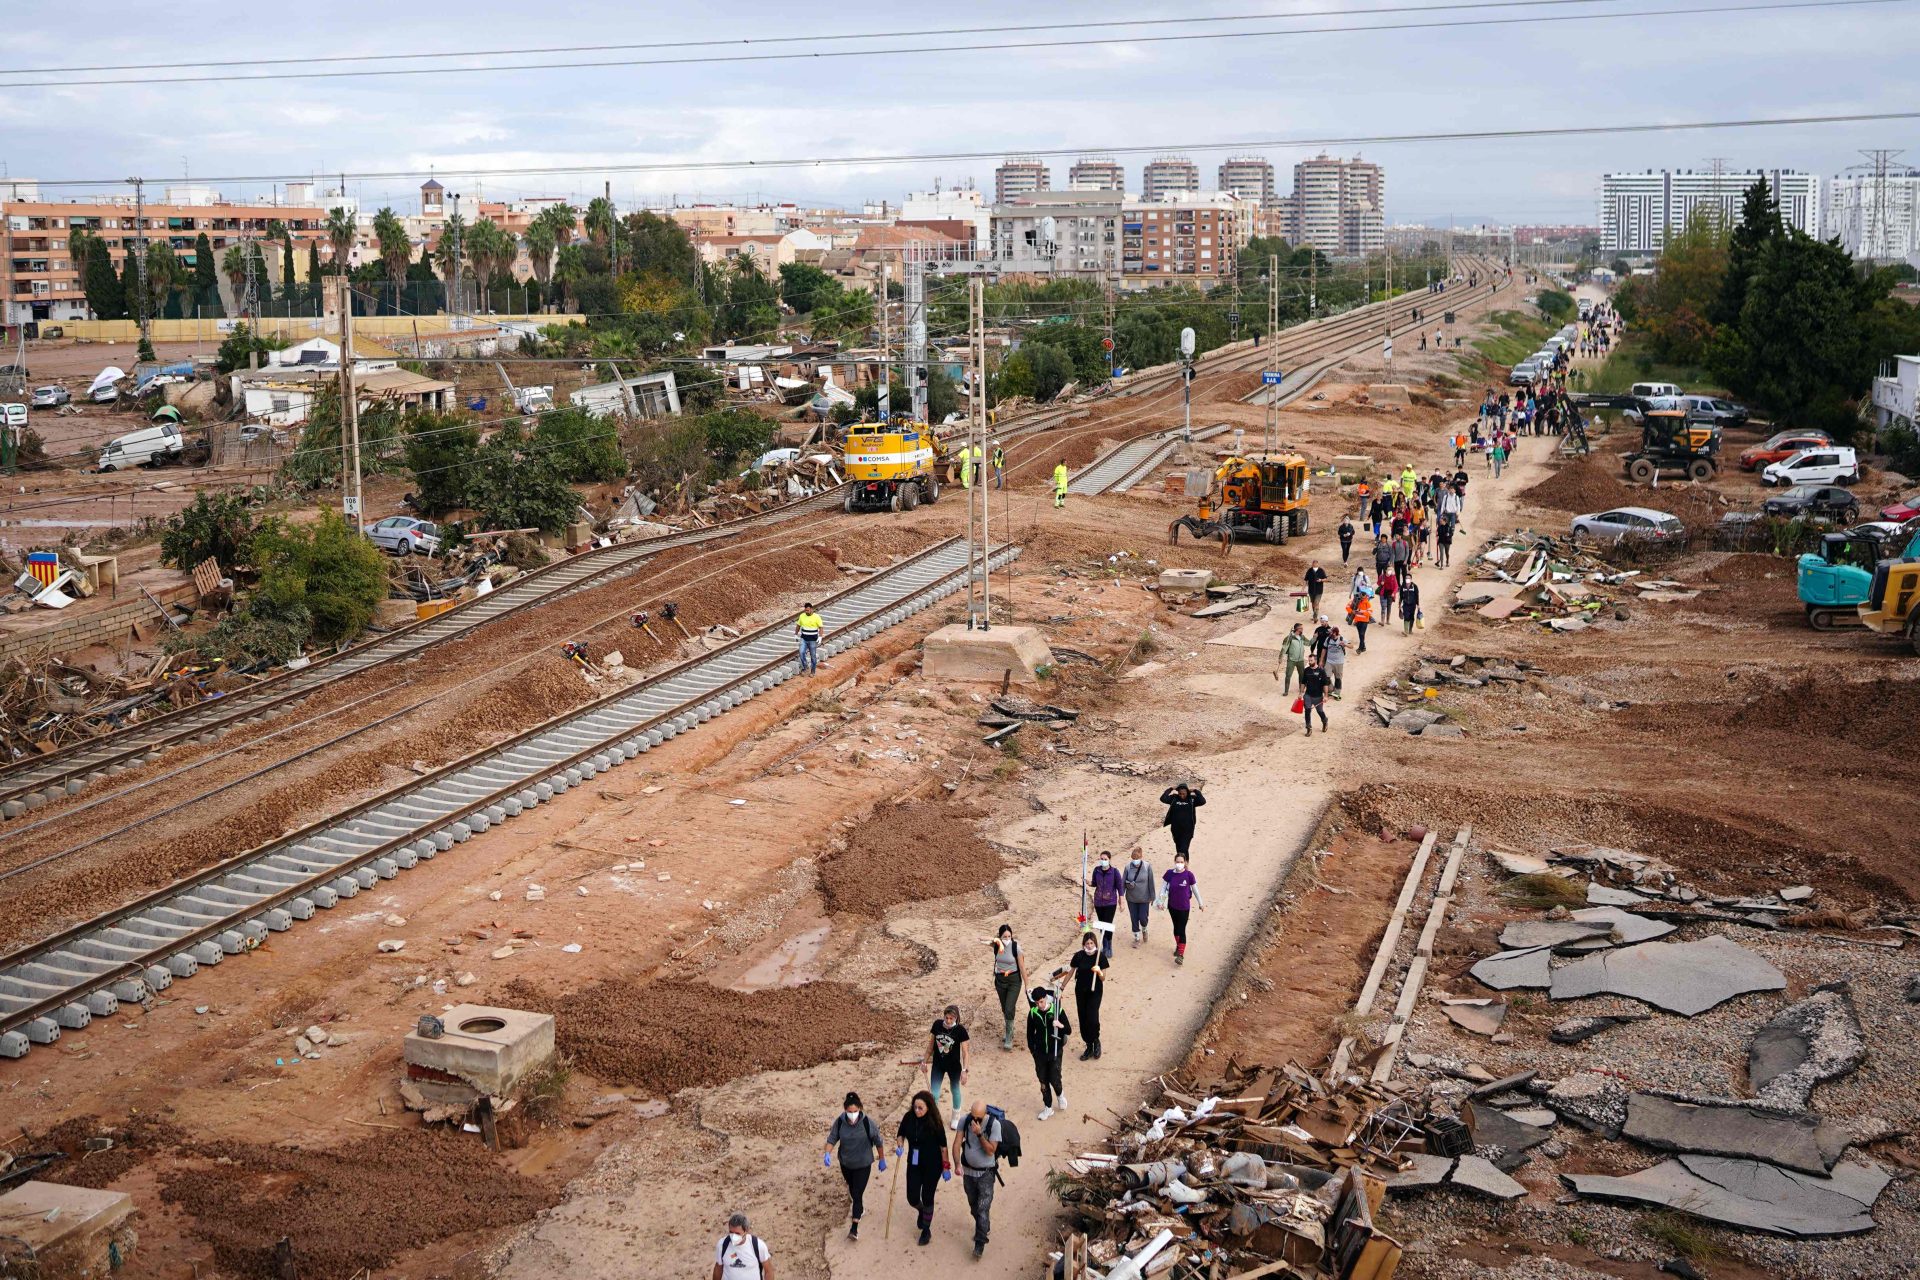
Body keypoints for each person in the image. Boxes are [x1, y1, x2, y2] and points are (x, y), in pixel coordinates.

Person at [824, 1092, 886, 1239]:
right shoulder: (840, 1122)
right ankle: (860, 1209)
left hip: (863, 1164)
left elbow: (878, 1141)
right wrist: (827, 1153)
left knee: (857, 1193)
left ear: (860, 1109)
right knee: (853, 1189)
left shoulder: (867, 1123)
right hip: (846, 1163)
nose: (852, 1115)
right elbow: (832, 1138)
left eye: (855, 1111)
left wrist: (882, 1158)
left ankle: (854, 1228)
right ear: (845, 1110)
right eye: (849, 1112)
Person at [896, 1091, 949, 1247]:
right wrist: (900, 1144)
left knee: (927, 1197)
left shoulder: (936, 1123)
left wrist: (946, 1167)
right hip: (914, 1162)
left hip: (933, 1165)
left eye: (921, 1108)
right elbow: (901, 1134)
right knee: (912, 1197)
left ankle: (926, 1229)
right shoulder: (909, 1118)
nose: (917, 1111)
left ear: (928, 1107)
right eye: (915, 1107)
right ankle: (921, 1211)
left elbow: (943, 1147)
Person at [951, 1101, 1002, 1258]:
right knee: (974, 1205)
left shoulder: (994, 1125)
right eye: (973, 1117)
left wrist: (979, 1134)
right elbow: (957, 1143)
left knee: (982, 1208)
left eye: (979, 1118)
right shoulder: (965, 1121)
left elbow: (990, 1151)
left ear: (985, 1114)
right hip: (968, 1172)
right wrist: (957, 1164)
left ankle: (980, 1243)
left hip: (986, 1173)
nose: (975, 1121)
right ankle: (984, 1224)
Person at [1026, 986, 1071, 1119]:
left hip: (1055, 1051)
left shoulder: (1057, 1010)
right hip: (1039, 1053)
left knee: (1055, 1078)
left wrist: (1060, 1026)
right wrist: (1033, 1051)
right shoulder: (1033, 1013)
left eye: (1041, 1001)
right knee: (1043, 1081)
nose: (1039, 1005)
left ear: (1046, 998)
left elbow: (1068, 1030)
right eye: (1036, 1002)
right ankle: (1048, 1107)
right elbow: (1029, 1034)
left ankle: (1060, 1094)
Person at [1069, 930, 1110, 1060]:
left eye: (1092, 943)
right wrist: (1063, 986)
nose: (1090, 945)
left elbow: (1103, 978)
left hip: (1095, 991)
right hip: (1081, 991)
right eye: (1087, 943)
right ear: (1083, 944)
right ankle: (1089, 1046)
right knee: (1083, 1018)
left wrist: (1098, 972)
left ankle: (1096, 1041)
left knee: (1092, 1017)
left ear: (1095, 943)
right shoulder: (1079, 956)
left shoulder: (1100, 957)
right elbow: (1071, 971)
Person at [1158, 852, 1204, 964]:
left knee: (1182, 929)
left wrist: (1200, 903)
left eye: (1181, 862)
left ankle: (1181, 955)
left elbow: (1195, 890)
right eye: (1177, 862)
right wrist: (1160, 901)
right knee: (1176, 928)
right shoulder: (1169, 874)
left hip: (1184, 907)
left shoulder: (1189, 875)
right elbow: (1163, 888)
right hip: (1172, 906)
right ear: (1175, 862)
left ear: (1185, 863)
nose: (1179, 864)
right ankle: (1178, 946)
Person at [990, 924, 1026, 1050]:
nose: (1007, 938)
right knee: (1005, 1008)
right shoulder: (996, 945)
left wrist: (1027, 985)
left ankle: (1009, 1037)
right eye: (1004, 936)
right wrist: (995, 940)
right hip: (1000, 980)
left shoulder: (1016, 947)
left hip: (1014, 981)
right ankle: (1009, 1030)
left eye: (1009, 936)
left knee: (1009, 1007)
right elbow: (982, 939)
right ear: (999, 936)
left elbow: (1022, 967)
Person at [928, 1005, 970, 1114]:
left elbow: (965, 1053)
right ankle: (935, 1118)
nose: (948, 1020)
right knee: (934, 1094)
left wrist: (964, 1070)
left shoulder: (960, 1030)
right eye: (946, 1017)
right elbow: (930, 1046)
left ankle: (956, 1115)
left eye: (951, 1018)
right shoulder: (937, 1025)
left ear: (956, 1018)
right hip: (938, 1065)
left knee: (955, 1089)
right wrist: (924, 1061)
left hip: (954, 1066)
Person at [713, 1212, 773, 1280]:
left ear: (746, 1231)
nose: (733, 1236)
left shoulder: (758, 1246)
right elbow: (718, 1269)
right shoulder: (722, 1245)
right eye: (731, 1232)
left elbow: (768, 1271)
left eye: (737, 1233)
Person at [1087, 850, 1123, 960]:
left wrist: (1121, 902)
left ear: (1109, 860)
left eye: (1105, 859)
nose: (1103, 861)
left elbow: (1119, 887)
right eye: (1101, 859)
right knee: (1102, 925)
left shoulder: (1114, 872)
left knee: (1107, 924)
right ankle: (1105, 946)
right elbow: (1094, 883)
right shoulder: (1096, 870)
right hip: (1098, 902)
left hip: (1110, 902)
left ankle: (1109, 947)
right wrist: (1088, 882)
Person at [1159, 783, 1205, 858]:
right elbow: (1163, 798)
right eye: (1180, 794)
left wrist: (1195, 791)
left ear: (1187, 792)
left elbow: (1202, 801)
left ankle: (1182, 866)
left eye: (1184, 794)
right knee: (1179, 848)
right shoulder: (1174, 798)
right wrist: (1170, 789)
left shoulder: (1192, 799)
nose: (1182, 795)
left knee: (1183, 849)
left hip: (1188, 830)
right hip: (1176, 829)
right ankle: (1184, 865)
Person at [1122, 846, 1155, 946]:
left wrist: (1152, 897)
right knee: (1134, 917)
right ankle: (1136, 937)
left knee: (1143, 917)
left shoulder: (1147, 866)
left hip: (1144, 897)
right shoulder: (1128, 867)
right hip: (1131, 898)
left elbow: (1151, 882)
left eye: (1137, 858)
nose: (1135, 861)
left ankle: (1144, 929)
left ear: (1141, 857)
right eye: (1133, 859)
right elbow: (1123, 882)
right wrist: (1121, 897)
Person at [1300, 654, 1331, 736]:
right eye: (1309, 660)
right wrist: (1301, 692)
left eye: (1311, 661)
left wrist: (1326, 696)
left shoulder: (1321, 671)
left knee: (1320, 711)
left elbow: (1325, 684)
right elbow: (1303, 682)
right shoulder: (1306, 670)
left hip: (1318, 696)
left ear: (1315, 660)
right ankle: (1308, 728)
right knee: (1307, 710)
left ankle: (1325, 721)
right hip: (1308, 695)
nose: (1309, 662)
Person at [795, 604, 824, 675]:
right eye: (805, 610)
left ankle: (813, 671)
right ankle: (805, 668)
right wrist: (795, 634)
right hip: (804, 638)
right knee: (801, 653)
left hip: (813, 640)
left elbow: (821, 627)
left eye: (807, 610)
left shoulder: (816, 617)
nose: (806, 612)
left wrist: (820, 636)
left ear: (811, 609)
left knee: (813, 656)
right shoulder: (802, 616)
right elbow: (798, 625)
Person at [1281, 622, 1307, 695]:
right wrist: (1280, 658)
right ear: (1297, 629)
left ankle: (1301, 689)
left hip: (1300, 660)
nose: (1302, 629)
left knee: (1302, 675)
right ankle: (1286, 691)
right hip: (1291, 660)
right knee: (1288, 675)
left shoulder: (1302, 637)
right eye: (1301, 628)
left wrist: (1315, 638)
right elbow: (1284, 647)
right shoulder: (1290, 637)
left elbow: (1308, 643)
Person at [1324, 626, 1347, 698]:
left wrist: (1345, 644)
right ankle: (1331, 690)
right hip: (1329, 661)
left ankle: (1337, 693)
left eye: (1330, 632)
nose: (1329, 633)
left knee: (1338, 678)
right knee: (1326, 677)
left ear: (1334, 633)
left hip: (1339, 662)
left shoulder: (1342, 639)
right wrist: (1321, 660)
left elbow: (1352, 646)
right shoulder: (1328, 639)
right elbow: (1324, 649)